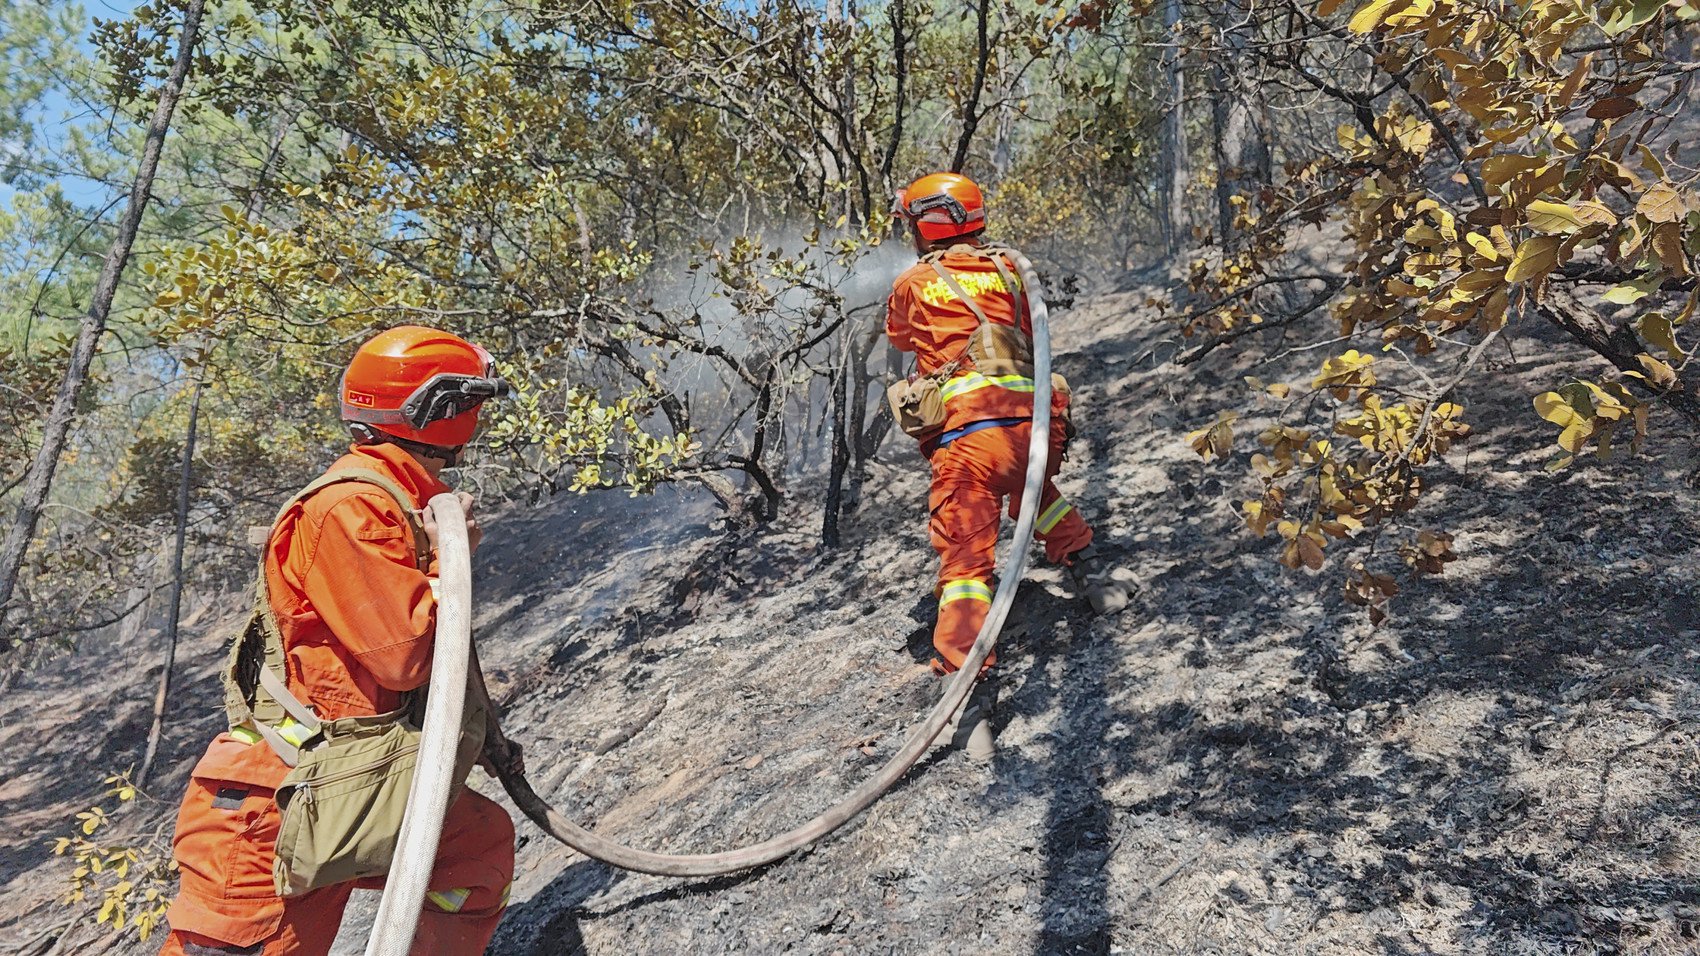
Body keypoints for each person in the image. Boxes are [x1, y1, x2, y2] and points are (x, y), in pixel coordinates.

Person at [160, 326, 518, 956]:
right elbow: (406, 654)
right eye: (472, 404)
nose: (479, 418)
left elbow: (440, 653)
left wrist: (484, 733)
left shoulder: (410, 501)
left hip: (358, 781)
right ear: (440, 411)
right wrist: (444, 560)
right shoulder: (348, 508)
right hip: (275, 807)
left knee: (474, 852)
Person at [886, 172, 1129, 761]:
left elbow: (901, 338)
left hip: (972, 434)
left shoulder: (915, 283)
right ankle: (1093, 577)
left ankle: (970, 705)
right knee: (1036, 493)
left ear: (928, 222)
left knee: (967, 563)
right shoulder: (1011, 271)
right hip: (1032, 422)